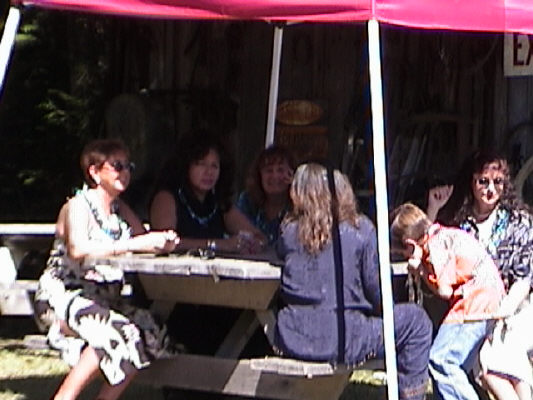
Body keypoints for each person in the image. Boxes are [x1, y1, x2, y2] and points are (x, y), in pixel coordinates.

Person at [34, 139, 179, 400]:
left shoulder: (119, 208)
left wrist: (161, 241)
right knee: (114, 330)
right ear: (94, 172)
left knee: (150, 328)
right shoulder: (78, 205)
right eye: (117, 166)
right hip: (63, 295)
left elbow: (142, 240)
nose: (125, 172)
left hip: (103, 296)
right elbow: (78, 249)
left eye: (128, 166)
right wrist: (134, 244)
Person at [275, 163, 432, 400]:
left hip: (293, 337)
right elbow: (379, 295)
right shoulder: (361, 229)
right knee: (416, 321)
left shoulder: (288, 232)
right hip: (345, 338)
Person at [426, 150, 533, 400]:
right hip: (476, 311)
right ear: (472, 182)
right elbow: (431, 247)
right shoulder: (458, 223)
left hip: (516, 307)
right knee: (489, 363)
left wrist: (504, 311)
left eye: (498, 182)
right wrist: (433, 208)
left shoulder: (519, 222)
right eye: (483, 181)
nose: (490, 189)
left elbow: (525, 278)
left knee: (496, 360)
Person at [390, 202, 506, 400]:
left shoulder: (436, 245)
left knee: (441, 359)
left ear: (411, 245)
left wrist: (421, 271)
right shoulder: (445, 234)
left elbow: (444, 290)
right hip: (491, 300)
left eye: (404, 253)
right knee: (453, 367)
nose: (406, 257)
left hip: (475, 302)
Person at [150, 131, 266, 254]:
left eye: (214, 166)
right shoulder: (166, 197)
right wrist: (218, 244)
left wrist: (253, 244)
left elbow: (259, 237)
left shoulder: (219, 203)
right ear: (186, 166)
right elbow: (166, 243)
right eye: (201, 164)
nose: (209, 172)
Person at [236, 145, 295, 245]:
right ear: (259, 176)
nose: (275, 176)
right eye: (269, 170)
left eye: (280, 170)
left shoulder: (299, 206)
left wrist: (298, 186)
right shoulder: (248, 201)